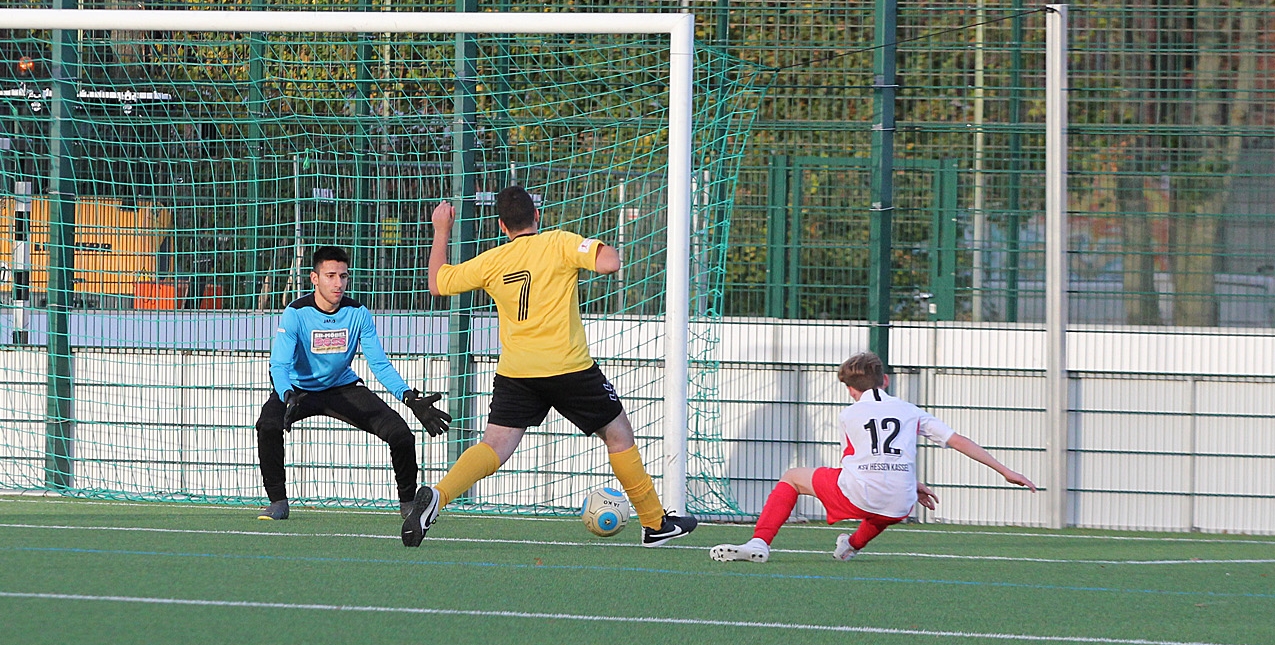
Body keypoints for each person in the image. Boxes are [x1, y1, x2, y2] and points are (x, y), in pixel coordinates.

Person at [400, 185, 698, 548]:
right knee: (619, 435)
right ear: (537, 216)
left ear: (501, 226)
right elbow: (610, 263)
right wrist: (594, 248)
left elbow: (437, 283)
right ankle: (654, 523)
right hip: (569, 368)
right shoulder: (559, 243)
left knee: (494, 446)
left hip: (518, 373)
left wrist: (441, 230)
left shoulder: (492, 260)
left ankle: (439, 495)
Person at [710, 351, 1036, 563]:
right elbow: (958, 440)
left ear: (851, 390)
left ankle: (759, 542)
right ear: (886, 381)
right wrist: (1006, 471)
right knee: (884, 508)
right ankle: (849, 547)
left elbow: (856, 460)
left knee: (793, 477)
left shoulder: (849, 414)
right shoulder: (910, 410)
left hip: (862, 492)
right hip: (902, 502)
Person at [256, 246, 451, 520]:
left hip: (342, 388)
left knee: (401, 434)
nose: (338, 283)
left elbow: (379, 364)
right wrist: (286, 394)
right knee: (267, 425)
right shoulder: (296, 313)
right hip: (298, 392)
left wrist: (408, 396)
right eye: (330, 276)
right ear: (314, 278)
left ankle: (408, 504)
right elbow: (279, 365)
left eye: (343, 276)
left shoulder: (358, 313)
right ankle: (278, 502)